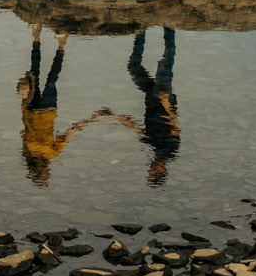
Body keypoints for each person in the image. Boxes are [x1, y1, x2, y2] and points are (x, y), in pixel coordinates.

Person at [16, 24, 110, 186]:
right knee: (52, 79)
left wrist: (23, 102)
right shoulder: (52, 153)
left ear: (37, 172)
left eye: (45, 175)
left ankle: (36, 36)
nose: (48, 172)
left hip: (31, 108)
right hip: (48, 109)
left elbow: (26, 127)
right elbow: (69, 133)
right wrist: (94, 117)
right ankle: (61, 45)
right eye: (47, 175)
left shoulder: (28, 151)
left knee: (34, 71)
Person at [108, 27, 181, 185]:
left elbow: (138, 130)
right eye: (152, 172)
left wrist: (115, 117)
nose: (150, 169)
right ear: (161, 171)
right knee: (166, 61)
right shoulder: (169, 152)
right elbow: (175, 127)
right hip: (163, 98)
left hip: (151, 98)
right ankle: (169, 27)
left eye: (149, 171)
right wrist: (166, 102)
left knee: (133, 67)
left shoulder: (152, 152)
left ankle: (140, 31)